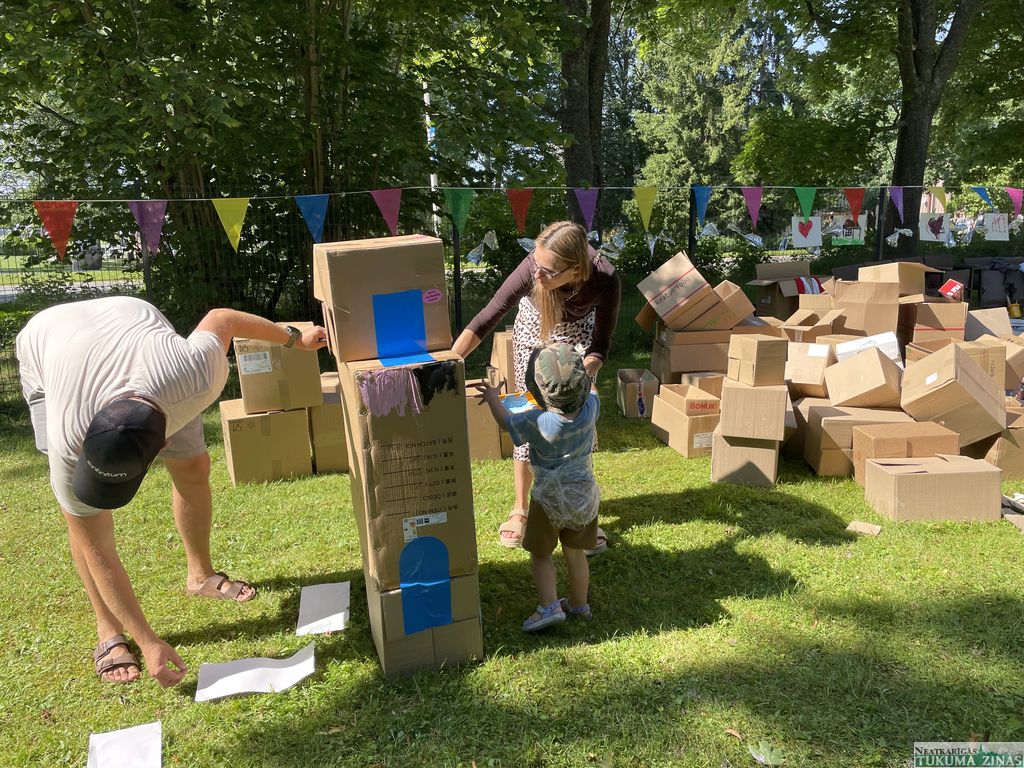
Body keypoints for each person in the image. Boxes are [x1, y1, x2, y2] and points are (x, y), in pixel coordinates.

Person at [15, 295, 327, 687]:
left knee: (193, 466)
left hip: (134, 330)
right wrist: (148, 641)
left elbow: (222, 317)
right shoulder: (69, 440)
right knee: (84, 520)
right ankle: (108, 627)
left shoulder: (192, 375)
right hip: (48, 340)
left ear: (162, 443)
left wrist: (294, 338)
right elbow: (98, 550)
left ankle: (200, 576)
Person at [452, 220, 620, 551]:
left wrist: (579, 377)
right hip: (535, 324)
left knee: (577, 422)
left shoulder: (605, 279)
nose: (537, 274)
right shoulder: (533, 266)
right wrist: (449, 363)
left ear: (575, 270)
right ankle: (521, 509)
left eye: (548, 271)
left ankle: (580, 516)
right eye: (536, 264)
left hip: (577, 336)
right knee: (529, 411)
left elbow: (601, 344)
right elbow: (486, 318)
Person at [473, 343, 600, 631]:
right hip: (583, 496)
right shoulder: (591, 409)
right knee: (575, 551)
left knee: (541, 554)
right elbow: (592, 389)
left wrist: (492, 398)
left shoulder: (536, 421)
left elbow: (506, 422)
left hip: (548, 501)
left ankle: (549, 606)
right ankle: (580, 605)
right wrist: (583, 365)